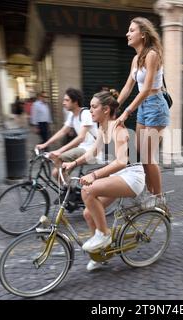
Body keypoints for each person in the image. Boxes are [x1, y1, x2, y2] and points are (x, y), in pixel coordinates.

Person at [62, 89, 145, 271]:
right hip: (118, 177)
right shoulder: (102, 128)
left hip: (132, 177)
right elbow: (92, 152)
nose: (90, 111)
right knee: (87, 214)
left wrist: (94, 175)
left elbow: (122, 161)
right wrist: (73, 163)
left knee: (88, 190)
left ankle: (104, 235)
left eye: (93, 107)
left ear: (106, 109)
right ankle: (100, 255)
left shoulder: (119, 129)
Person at [115, 17, 169, 202]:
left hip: (156, 105)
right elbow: (128, 87)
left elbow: (146, 89)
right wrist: (114, 107)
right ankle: (149, 192)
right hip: (143, 106)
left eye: (131, 30)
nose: (127, 34)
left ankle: (159, 198)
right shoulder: (136, 59)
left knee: (147, 156)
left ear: (143, 35)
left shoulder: (152, 55)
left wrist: (126, 112)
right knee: (140, 153)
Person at [36, 88, 98, 179]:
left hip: (92, 150)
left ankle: (69, 188)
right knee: (56, 174)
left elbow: (81, 137)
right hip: (83, 148)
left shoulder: (85, 114)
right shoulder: (72, 115)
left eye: (67, 100)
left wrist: (60, 150)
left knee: (61, 158)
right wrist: (45, 144)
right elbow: (63, 131)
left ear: (75, 102)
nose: (63, 103)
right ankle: (68, 186)